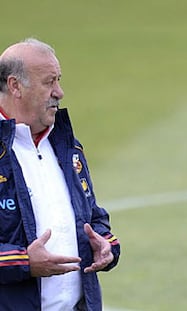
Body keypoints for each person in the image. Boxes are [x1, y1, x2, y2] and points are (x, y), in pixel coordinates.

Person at [0, 38, 120, 310]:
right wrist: (23, 263)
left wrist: (105, 245)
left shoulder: (66, 146)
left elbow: (93, 216)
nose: (60, 92)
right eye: (49, 82)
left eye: (59, 80)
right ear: (15, 86)